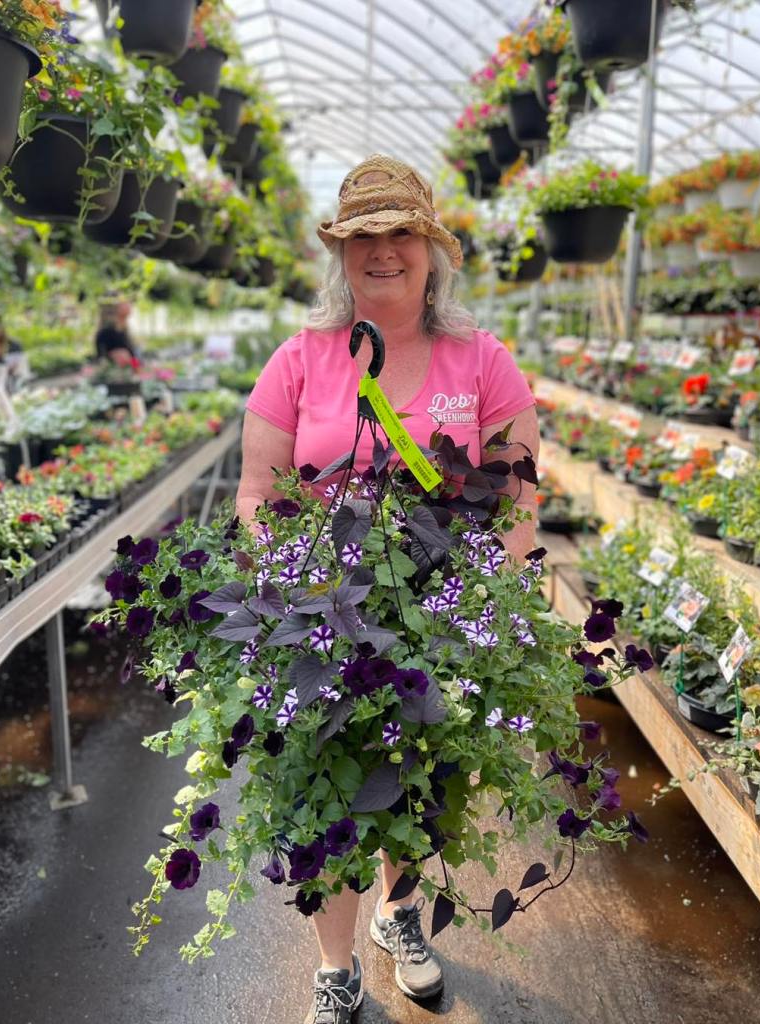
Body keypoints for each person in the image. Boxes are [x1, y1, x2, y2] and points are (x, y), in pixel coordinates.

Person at [235, 154, 539, 1024]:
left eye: (400, 232)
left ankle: (398, 912)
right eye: (362, 236)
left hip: (440, 616)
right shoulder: (300, 358)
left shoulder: (481, 360)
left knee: (417, 777)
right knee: (323, 785)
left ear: (431, 249)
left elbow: (518, 494)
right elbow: (256, 496)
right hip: (322, 617)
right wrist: (290, 587)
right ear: (339, 254)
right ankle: (336, 966)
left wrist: (493, 599)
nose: (382, 251)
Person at [95, 300, 137, 364]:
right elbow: (101, 353)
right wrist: (113, 355)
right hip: (112, 367)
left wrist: (136, 365)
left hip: (127, 367)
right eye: (124, 304)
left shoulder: (124, 330)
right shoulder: (107, 330)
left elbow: (132, 355)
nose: (129, 306)